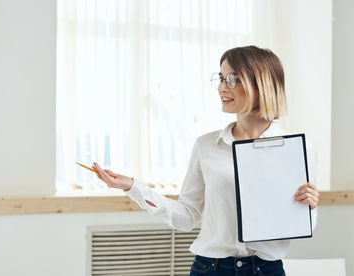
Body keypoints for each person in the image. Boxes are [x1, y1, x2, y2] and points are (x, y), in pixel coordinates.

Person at [91, 45, 320, 276]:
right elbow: (187, 216)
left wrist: (308, 207)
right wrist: (133, 187)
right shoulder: (206, 146)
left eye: (232, 79)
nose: (222, 87)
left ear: (261, 85)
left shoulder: (297, 149)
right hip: (211, 268)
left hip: (266, 269)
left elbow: (305, 226)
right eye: (220, 79)